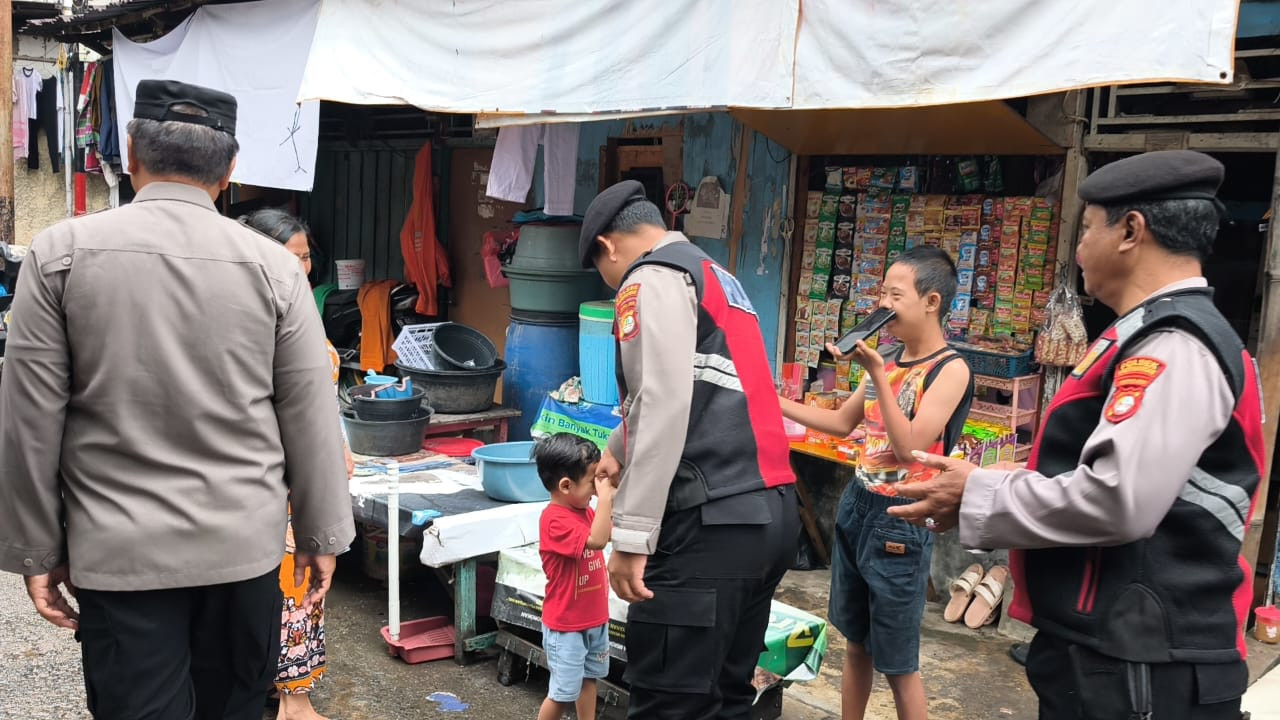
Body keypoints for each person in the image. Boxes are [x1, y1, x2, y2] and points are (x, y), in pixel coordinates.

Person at [0, 79, 355, 720]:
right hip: (243, 550)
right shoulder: (276, 269)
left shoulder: (60, 253)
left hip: (117, 551)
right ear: (230, 170)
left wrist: (36, 548)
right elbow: (309, 412)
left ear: (131, 151)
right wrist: (321, 532)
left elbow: (28, 421)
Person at [890, 150, 1265, 720]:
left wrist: (980, 491)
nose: (1079, 249)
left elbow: (1119, 498)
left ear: (1130, 232)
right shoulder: (1142, 335)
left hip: (1145, 659)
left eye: (1086, 229)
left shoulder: (1176, 343)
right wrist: (1007, 478)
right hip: (1118, 648)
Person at [578, 179, 799, 719]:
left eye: (602, 270)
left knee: (670, 703)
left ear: (608, 246)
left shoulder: (649, 278)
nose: (611, 282)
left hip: (711, 521)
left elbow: (661, 399)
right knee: (727, 698)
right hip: (768, 511)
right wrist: (619, 446)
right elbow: (696, 385)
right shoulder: (715, 274)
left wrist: (632, 535)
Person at [779, 247, 973, 720]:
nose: (883, 304)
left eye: (895, 294)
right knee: (855, 643)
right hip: (858, 503)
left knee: (898, 664)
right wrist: (769, 399)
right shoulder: (886, 356)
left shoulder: (950, 370)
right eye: (882, 292)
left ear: (931, 301)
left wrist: (879, 377)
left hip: (901, 519)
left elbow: (910, 448)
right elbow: (842, 423)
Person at [242, 208, 351, 720]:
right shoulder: (254, 318)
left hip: (304, 469)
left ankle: (275, 683)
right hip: (281, 475)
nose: (301, 268)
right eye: (291, 257)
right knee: (293, 584)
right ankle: (295, 700)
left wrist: (339, 445)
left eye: (306, 258)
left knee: (292, 581)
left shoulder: (300, 307)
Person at [533, 433, 614, 720]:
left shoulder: (585, 511)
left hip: (594, 620)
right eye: (593, 482)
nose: (596, 490)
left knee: (589, 680)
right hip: (567, 626)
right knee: (562, 693)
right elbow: (598, 540)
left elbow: (609, 530)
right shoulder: (554, 520)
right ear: (566, 485)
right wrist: (606, 498)